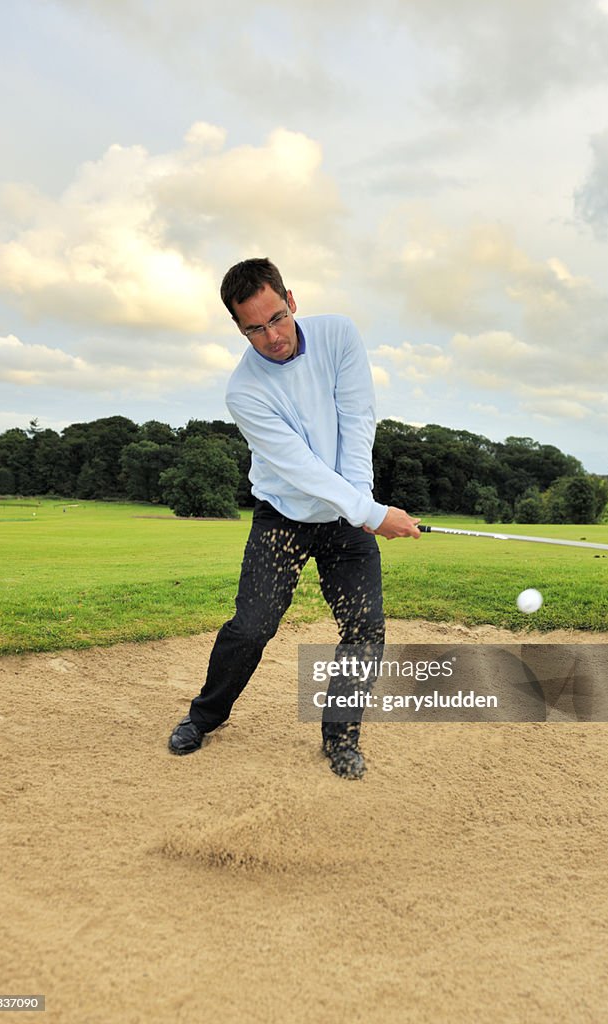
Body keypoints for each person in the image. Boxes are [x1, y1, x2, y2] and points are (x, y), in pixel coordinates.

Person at [168, 258, 420, 778]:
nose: (272, 336)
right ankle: (205, 716)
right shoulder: (244, 391)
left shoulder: (338, 335)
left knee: (364, 628)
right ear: (238, 328)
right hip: (283, 515)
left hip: (347, 514)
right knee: (252, 627)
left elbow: (357, 419)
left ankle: (341, 737)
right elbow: (300, 468)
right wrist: (371, 513)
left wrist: (361, 506)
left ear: (292, 299)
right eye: (254, 328)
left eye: (277, 317)